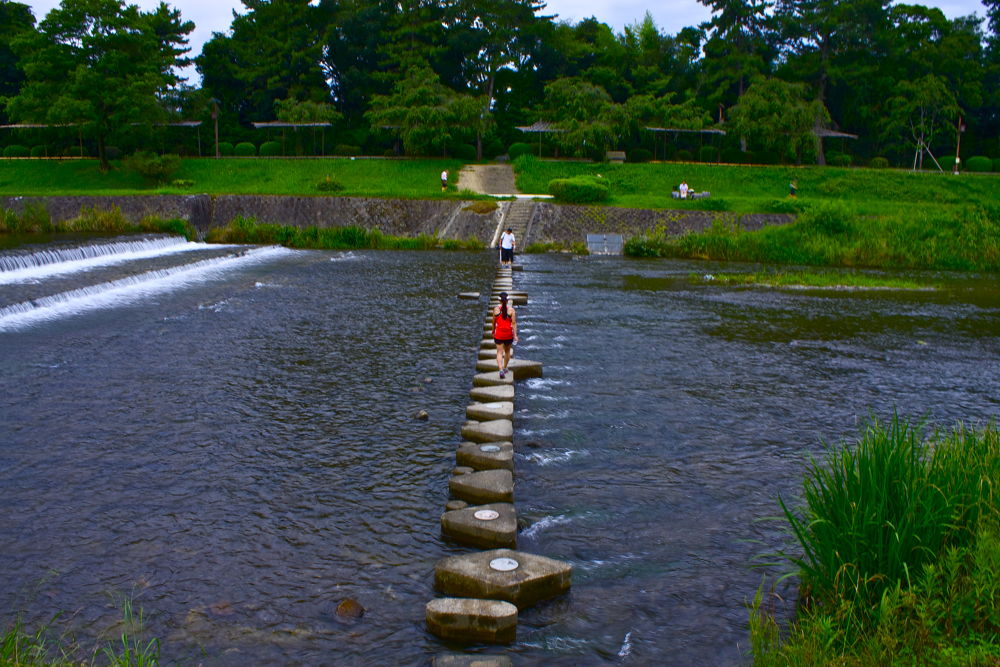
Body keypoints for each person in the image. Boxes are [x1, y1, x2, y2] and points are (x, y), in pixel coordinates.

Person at [492, 292, 518, 378]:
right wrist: (515, 335)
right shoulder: (511, 310)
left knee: (499, 352)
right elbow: (513, 323)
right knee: (507, 352)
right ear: (507, 301)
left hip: (499, 334)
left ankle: (500, 370)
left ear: (499, 301)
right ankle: (505, 367)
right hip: (508, 335)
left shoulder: (496, 310)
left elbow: (494, 322)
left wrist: (493, 331)